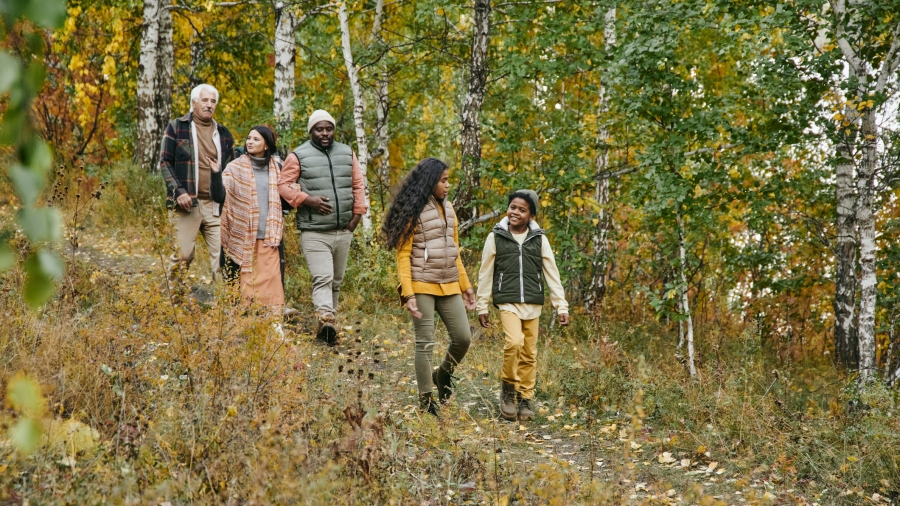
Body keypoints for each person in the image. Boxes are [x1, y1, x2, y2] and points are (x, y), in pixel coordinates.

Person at [382, 158, 476, 416]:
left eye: (448, 180)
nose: (448, 185)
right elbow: (403, 255)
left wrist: (465, 285)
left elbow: (454, 251)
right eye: (443, 180)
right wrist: (409, 292)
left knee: (463, 338)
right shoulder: (413, 209)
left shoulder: (450, 207)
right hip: (422, 284)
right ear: (429, 181)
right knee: (425, 343)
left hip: (448, 283)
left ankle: (442, 374)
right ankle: (426, 401)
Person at [475, 190, 569, 421]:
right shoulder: (495, 237)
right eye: (513, 207)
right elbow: (485, 273)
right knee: (514, 342)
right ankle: (508, 391)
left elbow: (552, 274)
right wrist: (482, 305)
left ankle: (525, 398)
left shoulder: (539, 239)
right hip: (507, 301)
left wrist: (561, 305)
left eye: (522, 209)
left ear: (532, 216)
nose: (515, 212)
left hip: (532, 302)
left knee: (529, 353)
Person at [278, 110, 367, 343]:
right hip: (314, 230)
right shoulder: (298, 155)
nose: (325, 133)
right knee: (323, 277)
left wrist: (357, 215)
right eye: (319, 129)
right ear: (311, 131)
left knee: (336, 280)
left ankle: (328, 326)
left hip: (343, 230)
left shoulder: (347, 153)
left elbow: (358, 185)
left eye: (329, 128)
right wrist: (307, 199)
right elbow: (284, 186)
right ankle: (326, 318)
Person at [159, 83, 235, 284]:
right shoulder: (177, 127)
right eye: (205, 100)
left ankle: (224, 310)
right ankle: (175, 302)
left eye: (213, 101)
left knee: (223, 258)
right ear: (193, 102)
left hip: (215, 205)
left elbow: (232, 169)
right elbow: (165, 162)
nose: (209, 105)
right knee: (183, 255)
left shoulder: (224, 133)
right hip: (186, 203)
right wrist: (179, 191)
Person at [211, 126, 284, 314]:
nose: (250, 142)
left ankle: (273, 324)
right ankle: (246, 325)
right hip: (243, 237)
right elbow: (219, 196)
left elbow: (287, 199)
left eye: (256, 139)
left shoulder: (277, 168)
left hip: (269, 236)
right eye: (249, 138)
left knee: (271, 285)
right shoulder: (235, 168)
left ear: (266, 145)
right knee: (245, 286)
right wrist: (215, 174)